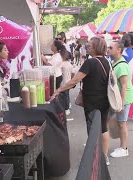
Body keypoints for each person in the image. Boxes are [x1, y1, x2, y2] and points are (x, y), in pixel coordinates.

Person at [50, 37, 111, 165]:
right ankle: (104, 157)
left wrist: (59, 90)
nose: (87, 47)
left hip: (93, 102)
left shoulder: (90, 62)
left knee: (92, 130)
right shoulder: (106, 61)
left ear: (95, 48)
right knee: (103, 128)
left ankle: (95, 159)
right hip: (105, 100)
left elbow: (74, 80)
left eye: (90, 45)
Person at [108, 40, 133, 158]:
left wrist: (121, 103)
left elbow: (124, 86)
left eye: (110, 47)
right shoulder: (115, 62)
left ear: (119, 50)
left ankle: (124, 148)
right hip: (117, 99)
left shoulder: (122, 65)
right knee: (112, 121)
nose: (108, 49)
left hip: (122, 99)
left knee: (121, 124)